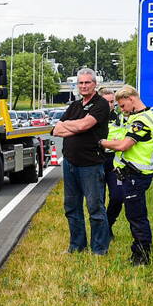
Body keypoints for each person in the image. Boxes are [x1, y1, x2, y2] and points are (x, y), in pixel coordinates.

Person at [99, 86, 153, 265]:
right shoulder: (138, 117)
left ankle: (142, 256)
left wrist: (101, 142)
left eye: (123, 105)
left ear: (132, 99)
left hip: (136, 175)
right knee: (134, 215)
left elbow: (124, 145)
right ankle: (138, 252)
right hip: (133, 175)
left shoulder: (141, 121)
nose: (122, 110)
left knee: (137, 217)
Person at [52, 68, 111, 254]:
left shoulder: (100, 104)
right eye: (81, 83)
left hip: (91, 164)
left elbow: (85, 125)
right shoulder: (75, 106)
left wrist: (76, 125)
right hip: (70, 163)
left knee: (95, 208)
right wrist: (76, 127)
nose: (84, 86)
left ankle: (99, 249)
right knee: (71, 207)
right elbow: (56, 130)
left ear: (95, 84)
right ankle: (77, 246)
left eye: (87, 82)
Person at [100, 86, 127, 237]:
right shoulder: (93, 118)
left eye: (112, 102)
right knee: (98, 200)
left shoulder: (122, 118)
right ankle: (102, 232)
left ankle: (107, 224)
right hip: (97, 160)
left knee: (118, 196)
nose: (110, 105)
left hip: (114, 162)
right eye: (107, 102)